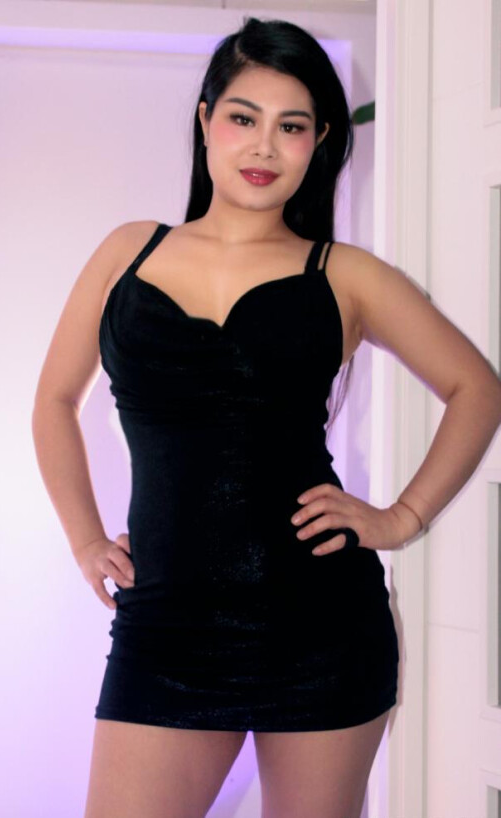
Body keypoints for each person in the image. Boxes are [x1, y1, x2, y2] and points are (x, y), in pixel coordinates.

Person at [31, 16, 501, 818]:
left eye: (292, 126)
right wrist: (84, 540)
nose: (264, 146)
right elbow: (53, 402)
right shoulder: (128, 253)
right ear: (206, 119)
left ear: (320, 142)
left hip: (321, 628)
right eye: (244, 118)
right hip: (165, 629)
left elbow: (476, 388)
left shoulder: (345, 275)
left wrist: (401, 517)